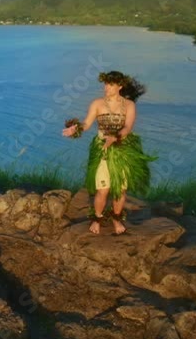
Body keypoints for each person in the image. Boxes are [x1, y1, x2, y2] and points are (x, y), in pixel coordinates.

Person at [61, 71, 157, 235]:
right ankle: (97, 218)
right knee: (103, 190)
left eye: (111, 84)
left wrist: (115, 137)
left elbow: (127, 128)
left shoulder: (129, 105)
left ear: (120, 86)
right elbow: (87, 124)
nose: (106, 87)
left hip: (122, 149)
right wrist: (75, 128)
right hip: (102, 150)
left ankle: (116, 218)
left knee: (119, 189)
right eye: (105, 84)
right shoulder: (97, 103)